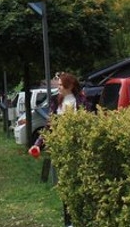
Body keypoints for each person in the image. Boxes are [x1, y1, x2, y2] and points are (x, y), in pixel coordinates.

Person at [29, 72, 87, 227]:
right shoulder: (56, 102)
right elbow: (49, 125)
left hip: (78, 148)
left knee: (78, 185)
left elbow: (87, 123)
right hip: (62, 149)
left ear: (71, 86)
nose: (58, 87)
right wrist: (37, 144)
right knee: (65, 185)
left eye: (61, 85)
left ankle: (79, 219)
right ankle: (68, 222)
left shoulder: (81, 101)